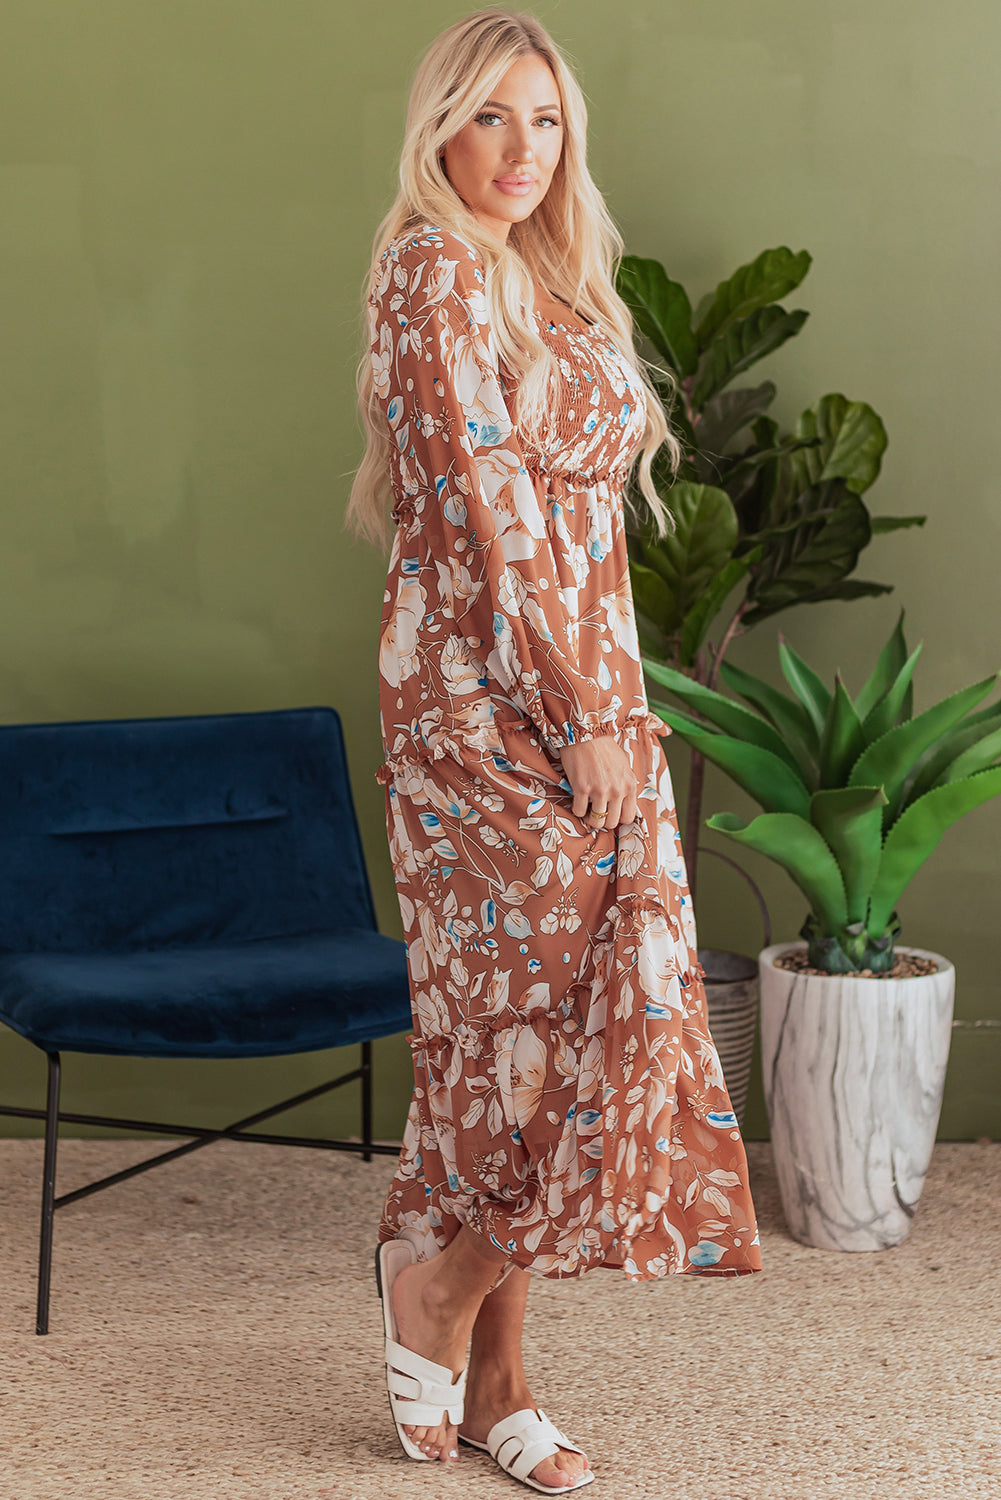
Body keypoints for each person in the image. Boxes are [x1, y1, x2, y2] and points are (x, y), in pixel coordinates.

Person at [348, 9, 762, 1491]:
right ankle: (449, 1299)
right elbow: (479, 517)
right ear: (436, 130)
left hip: (590, 693)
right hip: (490, 711)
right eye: (489, 119)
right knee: (521, 1037)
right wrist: (579, 712)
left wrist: (609, 703)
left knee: (538, 1037)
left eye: (544, 121)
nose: (521, 151)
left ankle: (492, 1368)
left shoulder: (542, 273)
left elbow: (576, 531)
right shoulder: (428, 266)